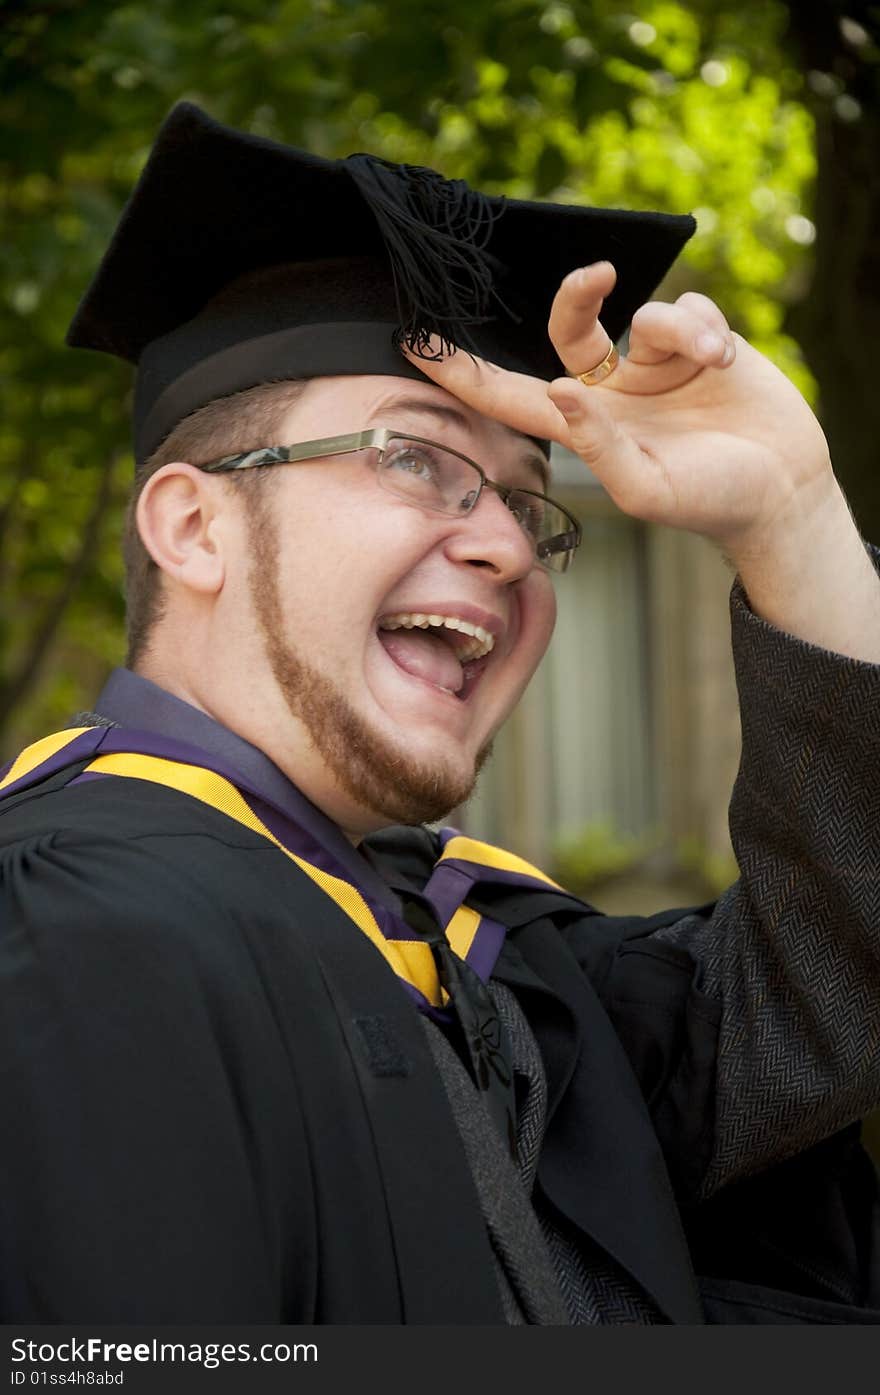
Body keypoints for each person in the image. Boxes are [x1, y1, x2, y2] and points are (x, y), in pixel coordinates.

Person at [1, 100, 879, 1326]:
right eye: (414, 457)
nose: (509, 550)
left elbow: (814, 1006)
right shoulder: (67, 941)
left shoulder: (483, 946)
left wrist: (791, 518)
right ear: (193, 527)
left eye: (532, 506)